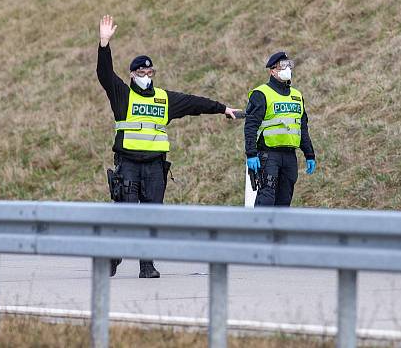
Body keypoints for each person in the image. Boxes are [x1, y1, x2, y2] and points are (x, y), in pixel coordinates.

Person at [96, 15, 240, 278]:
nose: (146, 77)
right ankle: (113, 255)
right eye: (141, 73)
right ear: (132, 75)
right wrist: (104, 45)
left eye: (150, 73)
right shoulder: (122, 95)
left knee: (152, 217)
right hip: (127, 165)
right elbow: (104, 75)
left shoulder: (164, 99)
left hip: (154, 166)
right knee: (125, 217)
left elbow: (194, 103)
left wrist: (222, 109)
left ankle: (147, 265)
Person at [244, 51, 316, 207]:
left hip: (290, 156)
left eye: (289, 65)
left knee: (284, 200)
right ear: (272, 71)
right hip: (268, 155)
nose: (287, 69)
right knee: (267, 197)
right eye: (282, 66)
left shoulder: (297, 95)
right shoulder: (261, 94)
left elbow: (302, 127)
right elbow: (250, 125)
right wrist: (250, 153)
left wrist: (309, 154)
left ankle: (277, 232)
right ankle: (259, 230)